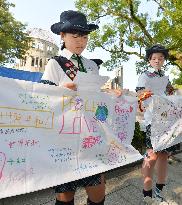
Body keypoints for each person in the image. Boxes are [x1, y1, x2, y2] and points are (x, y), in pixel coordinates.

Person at [40, 10, 122, 205]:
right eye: (75, 36)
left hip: (91, 137)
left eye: (84, 36)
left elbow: (98, 99)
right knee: (65, 196)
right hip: (64, 138)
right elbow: (42, 100)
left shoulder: (92, 66)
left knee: (98, 192)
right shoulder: (55, 63)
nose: (81, 41)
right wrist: (60, 90)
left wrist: (111, 95)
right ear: (62, 35)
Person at [136, 45, 178, 205]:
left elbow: (172, 93)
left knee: (164, 155)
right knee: (151, 154)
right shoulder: (145, 75)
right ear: (149, 60)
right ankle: (147, 193)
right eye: (154, 58)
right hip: (153, 120)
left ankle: (160, 191)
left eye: (161, 58)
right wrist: (151, 96)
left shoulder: (166, 77)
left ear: (164, 60)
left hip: (168, 121)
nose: (157, 61)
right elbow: (140, 93)